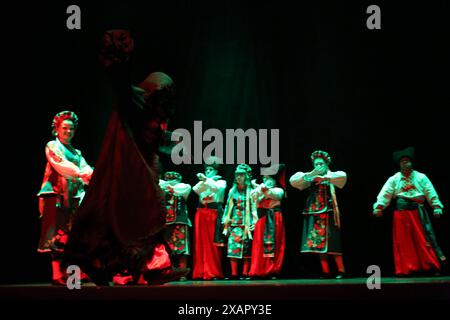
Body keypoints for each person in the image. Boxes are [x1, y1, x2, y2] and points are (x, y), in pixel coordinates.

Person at [65, 29, 188, 285]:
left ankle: (153, 268)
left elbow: (160, 141)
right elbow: (121, 83)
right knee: (124, 222)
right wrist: (119, 56)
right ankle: (109, 266)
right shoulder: (137, 102)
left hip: (143, 178)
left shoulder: (156, 113)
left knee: (143, 221)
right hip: (128, 176)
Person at [37, 110, 93, 285]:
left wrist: (93, 175)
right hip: (57, 196)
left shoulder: (76, 152)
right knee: (56, 235)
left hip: (73, 197)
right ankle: (56, 274)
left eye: (71, 129)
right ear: (57, 129)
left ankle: (74, 274)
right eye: (65, 128)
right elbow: (61, 164)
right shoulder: (52, 146)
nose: (68, 132)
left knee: (73, 235)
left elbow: (86, 169)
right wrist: (82, 173)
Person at [372, 146, 446, 276]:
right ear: (399, 164)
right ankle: (406, 268)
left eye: (407, 160)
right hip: (401, 214)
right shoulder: (394, 179)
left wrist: (436, 206)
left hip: (418, 213)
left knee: (424, 239)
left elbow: (430, 191)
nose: (405, 163)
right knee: (404, 242)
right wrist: (379, 207)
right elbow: (386, 193)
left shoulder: (421, 177)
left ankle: (431, 266)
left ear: (411, 162)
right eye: (402, 161)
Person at [290, 150, 347, 279]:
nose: (318, 166)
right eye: (316, 164)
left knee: (333, 242)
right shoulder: (310, 176)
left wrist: (325, 178)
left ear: (327, 164)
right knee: (319, 244)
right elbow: (293, 181)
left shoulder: (332, 175)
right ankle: (325, 271)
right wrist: (311, 174)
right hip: (315, 213)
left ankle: (341, 270)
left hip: (328, 213)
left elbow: (343, 177)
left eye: (321, 163)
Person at [192, 156, 227, 280]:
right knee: (200, 242)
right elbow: (195, 189)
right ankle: (200, 271)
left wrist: (207, 179)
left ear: (216, 171)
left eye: (210, 170)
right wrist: (205, 180)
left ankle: (213, 271)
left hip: (213, 213)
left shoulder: (221, 182)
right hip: (201, 213)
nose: (207, 172)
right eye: (206, 170)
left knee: (213, 244)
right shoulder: (205, 182)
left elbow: (217, 189)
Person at [249, 164, 286, 279]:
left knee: (274, 243)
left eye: (268, 178)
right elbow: (253, 196)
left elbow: (274, 195)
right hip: (262, 219)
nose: (265, 180)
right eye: (264, 178)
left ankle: (272, 269)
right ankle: (258, 270)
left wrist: (263, 189)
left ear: (274, 179)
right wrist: (258, 188)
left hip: (274, 218)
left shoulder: (278, 190)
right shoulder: (259, 190)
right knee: (259, 245)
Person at [222, 164, 258, 280]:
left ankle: (245, 273)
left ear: (246, 176)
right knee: (233, 246)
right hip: (235, 222)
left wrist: (255, 222)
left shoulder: (251, 191)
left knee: (247, 247)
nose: (238, 177)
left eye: (241, 175)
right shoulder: (233, 190)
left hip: (247, 223)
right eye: (237, 175)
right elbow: (228, 206)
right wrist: (226, 221)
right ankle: (234, 273)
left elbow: (254, 207)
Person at [159, 171, 192, 280]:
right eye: (169, 179)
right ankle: (168, 271)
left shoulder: (183, 188)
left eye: (173, 179)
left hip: (180, 221)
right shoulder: (162, 188)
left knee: (181, 249)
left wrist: (170, 187)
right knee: (167, 248)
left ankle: (182, 273)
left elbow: (182, 189)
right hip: (165, 222)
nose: (171, 181)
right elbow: (160, 184)